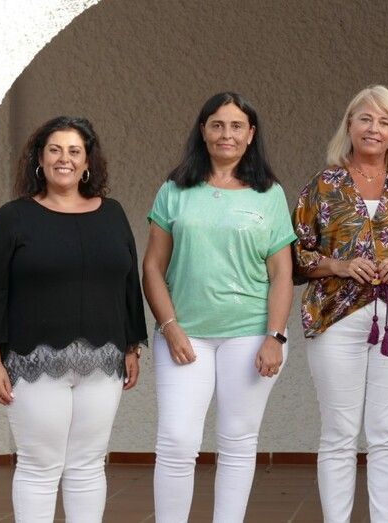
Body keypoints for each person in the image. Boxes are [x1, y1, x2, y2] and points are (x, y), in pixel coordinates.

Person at [0, 116, 147, 522]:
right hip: (34, 363)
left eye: (74, 151)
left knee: (88, 463)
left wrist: (132, 346)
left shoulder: (113, 214)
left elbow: (128, 285)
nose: (64, 159)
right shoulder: (13, 217)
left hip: (103, 362)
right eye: (55, 150)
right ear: (40, 159)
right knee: (39, 466)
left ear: (87, 163)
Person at [142, 92, 296, 523]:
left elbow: (282, 274)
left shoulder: (269, 194)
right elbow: (152, 267)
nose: (226, 134)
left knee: (238, 442)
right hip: (183, 334)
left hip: (250, 334)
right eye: (217, 125)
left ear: (251, 134)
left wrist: (275, 336)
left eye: (236, 126)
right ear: (203, 131)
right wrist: (170, 326)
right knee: (176, 441)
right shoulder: (175, 190)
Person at [292, 85, 388, 522]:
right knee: (339, 433)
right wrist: (338, 265)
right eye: (366, 119)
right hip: (336, 319)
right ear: (350, 125)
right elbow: (294, 254)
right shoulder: (324, 185)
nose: (374, 129)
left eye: (384, 121)